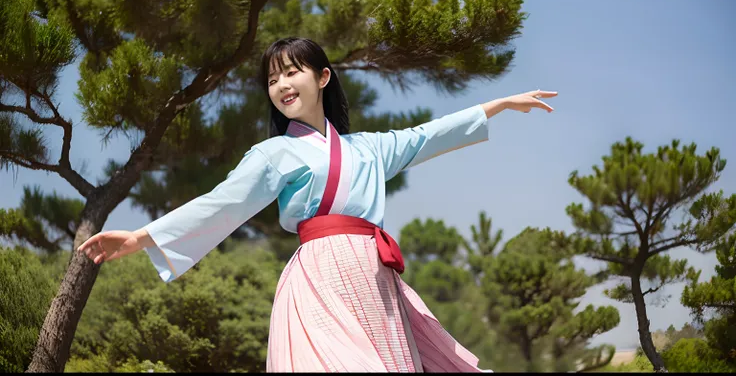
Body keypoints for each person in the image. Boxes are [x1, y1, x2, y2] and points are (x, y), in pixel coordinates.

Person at [79, 37, 556, 372]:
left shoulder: (369, 149)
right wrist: (143, 237)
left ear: (323, 76)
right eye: (272, 79)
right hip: (318, 280)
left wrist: (497, 104)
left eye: (292, 71)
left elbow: (428, 136)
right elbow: (221, 204)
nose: (282, 84)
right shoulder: (272, 153)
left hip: (374, 279)